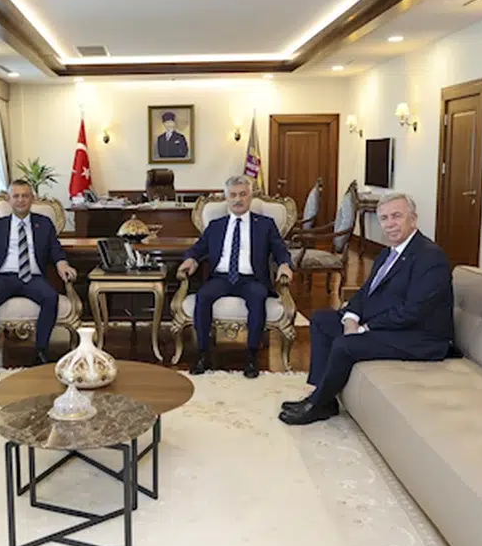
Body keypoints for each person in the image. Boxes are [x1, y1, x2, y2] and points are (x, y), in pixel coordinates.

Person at [279, 193, 454, 426]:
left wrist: (364, 329)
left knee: (345, 344)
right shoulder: (388, 252)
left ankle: (317, 405)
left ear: (413, 219)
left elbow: (414, 311)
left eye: (396, 216)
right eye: (384, 218)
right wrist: (351, 318)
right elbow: (365, 292)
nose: (390, 224)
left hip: (419, 337)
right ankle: (324, 398)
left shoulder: (430, 257)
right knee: (321, 320)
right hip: (391, 325)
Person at [178, 175, 292, 378]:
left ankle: (251, 356)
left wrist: (284, 264)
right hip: (220, 278)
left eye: (243, 194)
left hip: (251, 279)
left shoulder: (265, 224)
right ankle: (203, 354)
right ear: (227, 198)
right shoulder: (216, 225)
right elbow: (197, 248)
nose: (238, 199)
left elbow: (280, 250)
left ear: (250, 197)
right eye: (233, 195)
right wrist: (190, 260)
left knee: (257, 297)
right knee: (203, 297)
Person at [0, 180, 77, 376]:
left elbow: (55, 249)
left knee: (50, 298)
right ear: (9, 200)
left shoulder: (44, 223)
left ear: (32, 198)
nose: (20, 200)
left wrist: (62, 263)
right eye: (16, 196)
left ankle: (41, 351)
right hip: (3, 276)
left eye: (25, 196)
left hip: (33, 277)